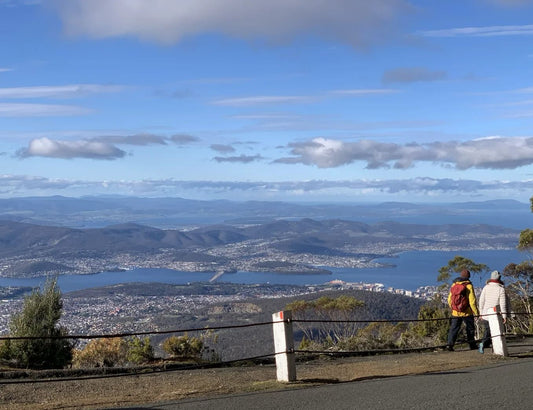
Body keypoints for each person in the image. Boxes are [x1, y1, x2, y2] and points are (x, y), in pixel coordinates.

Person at [446, 269, 479, 351]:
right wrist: (476, 312)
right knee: (470, 329)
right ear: (468, 277)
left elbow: (449, 299)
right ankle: (472, 345)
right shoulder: (469, 286)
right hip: (466, 312)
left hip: (455, 312)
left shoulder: (454, 284)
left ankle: (450, 345)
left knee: (454, 328)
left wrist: (453, 308)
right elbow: (472, 301)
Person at [478, 270, 508, 353]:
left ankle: (486, 345)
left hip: (485, 314)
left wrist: (481, 313)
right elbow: (503, 304)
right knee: (494, 331)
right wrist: (504, 316)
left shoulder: (486, 287)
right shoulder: (501, 289)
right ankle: (483, 344)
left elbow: (481, 301)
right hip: (495, 314)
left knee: (488, 330)